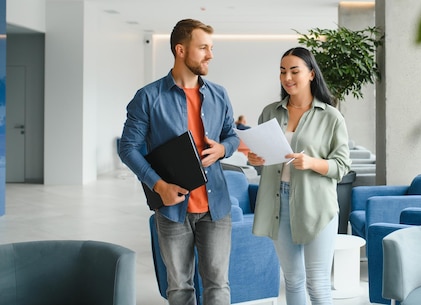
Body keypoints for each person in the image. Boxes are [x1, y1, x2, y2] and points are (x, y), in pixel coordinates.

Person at [118, 18, 239, 305]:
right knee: (180, 288)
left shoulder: (219, 94)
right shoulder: (148, 97)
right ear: (181, 50)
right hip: (173, 209)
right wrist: (158, 185)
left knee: (218, 285)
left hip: (216, 206)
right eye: (203, 48)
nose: (210, 55)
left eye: (211, 48)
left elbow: (231, 136)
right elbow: (128, 148)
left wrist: (223, 149)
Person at [247, 46, 351, 305]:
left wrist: (312, 162)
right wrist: (255, 160)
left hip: (316, 205)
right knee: (292, 280)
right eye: (282, 72)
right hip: (277, 203)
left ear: (312, 74)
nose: (287, 78)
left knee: (317, 284)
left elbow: (342, 166)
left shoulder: (331, 117)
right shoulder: (270, 112)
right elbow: (265, 162)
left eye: (294, 71)